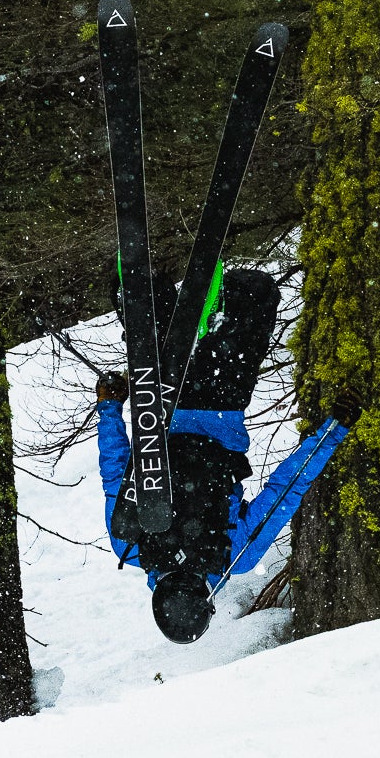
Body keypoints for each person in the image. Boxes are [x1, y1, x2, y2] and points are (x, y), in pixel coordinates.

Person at [96, 264, 346, 642]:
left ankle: (215, 306)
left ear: (209, 602)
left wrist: (333, 430)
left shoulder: (236, 556)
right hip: (163, 398)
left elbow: (288, 488)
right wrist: (110, 407)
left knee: (257, 291)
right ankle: (142, 285)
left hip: (221, 397)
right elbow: (115, 471)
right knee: (148, 298)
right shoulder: (129, 544)